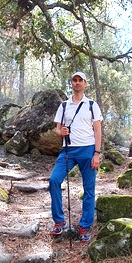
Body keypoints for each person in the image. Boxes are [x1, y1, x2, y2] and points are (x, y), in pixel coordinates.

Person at [49, 71, 103, 242]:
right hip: (68, 150)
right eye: (75, 80)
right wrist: (61, 131)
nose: (77, 83)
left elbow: (97, 130)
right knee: (54, 181)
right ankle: (59, 222)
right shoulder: (64, 106)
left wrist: (97, 153)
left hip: (88, 150)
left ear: (85, 84)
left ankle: (84, 227)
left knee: (89, 190)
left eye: (81, 80)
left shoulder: (92, 105)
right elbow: (57, 129)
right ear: (71, 83)